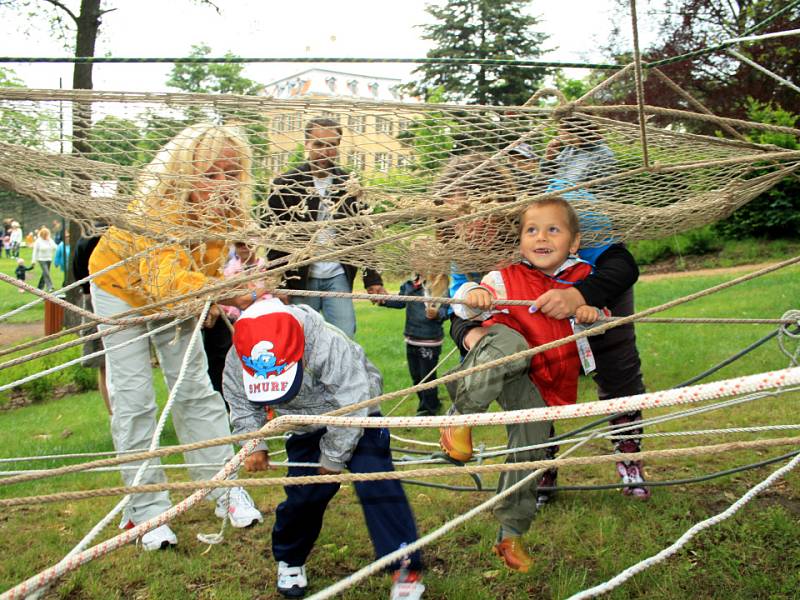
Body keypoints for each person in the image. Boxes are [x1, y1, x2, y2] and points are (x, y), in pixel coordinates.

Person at [88, 123, 265, 550]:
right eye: (210, 174)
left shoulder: (227, 211)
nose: (222, 184)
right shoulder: (159, 210)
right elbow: (166, 281)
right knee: (133, 398)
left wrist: (225, 284)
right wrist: (222, 294)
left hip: (183, 298)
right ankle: (146, 513)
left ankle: (224, 490)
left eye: (231, 173)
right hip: (119, 290)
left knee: (195, 389)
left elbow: (224, 257)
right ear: (184, 171)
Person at [223, 297, 425, 599]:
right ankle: (290, 558)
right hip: (302, 422)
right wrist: (254, 442)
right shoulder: (238, 354)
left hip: (358, 412)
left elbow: (354, 399)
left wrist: (332, 457)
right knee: (305, 494)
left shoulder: (325, 342)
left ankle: (403, 564)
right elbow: (240, 403)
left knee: (376, 479)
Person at [439, 198, 601, 572]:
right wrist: (472, 298)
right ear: (520, 240)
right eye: (532, 230)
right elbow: (464, 305)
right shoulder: (503, 276)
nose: (541, 237)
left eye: (553, 230)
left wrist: (590, 314)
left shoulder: (582, 280)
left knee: (533, 444)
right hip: (502, 369)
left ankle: (510, 532)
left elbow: (592, 325)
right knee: (510, 342)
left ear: (573, 243)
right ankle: (460, 418)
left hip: (546, 380)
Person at [536, 114, 649, 502]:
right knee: (541, 377)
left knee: (619, 372)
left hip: (599, 289)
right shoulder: (560, 158)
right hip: (547, 297)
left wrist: (581, 295)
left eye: (566, 128)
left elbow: (622, 265)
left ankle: (629, 457)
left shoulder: (598, 170)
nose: (560, 134)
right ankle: (542, 465)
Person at [265, 117, 387, 338]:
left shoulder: (348, 184)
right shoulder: (286, 184)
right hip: (301, 277)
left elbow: (364, 234)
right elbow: (274, 238)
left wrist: (373, 279)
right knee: (304, 340)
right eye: (319, 144)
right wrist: (279, 281)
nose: (325, 151)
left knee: (344, 338)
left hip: (337, 275)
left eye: (331, 145)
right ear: (307, 144)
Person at [202, 241, 267, 396]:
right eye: (240, 244)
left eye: (249, 243)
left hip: (263, 323)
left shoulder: (266, 267)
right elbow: (239, 301)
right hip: (236, 325)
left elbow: (271, 291)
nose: (245, 247)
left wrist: (252, 295)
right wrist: (255, 293)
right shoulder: (228, 271)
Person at [382, 272, 449, 416]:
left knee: (427, 378)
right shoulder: (410, 284)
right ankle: (431, 403)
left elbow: (446, 311)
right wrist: (383, 300)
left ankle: (428, 409)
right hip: (411, 338)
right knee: (417, 377)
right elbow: (400, 301)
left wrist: (436, 314)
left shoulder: (441, 285)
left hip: (429, 341)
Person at [72, 231, 111, 414]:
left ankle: (115, 415)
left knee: (105, 365)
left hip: (95, 300)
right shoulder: (90, 240)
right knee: (104, 363)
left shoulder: (85, 240)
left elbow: (79, 275)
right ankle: (114, 414)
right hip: (96, 302)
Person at [31, 226, 57, 292]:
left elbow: (55, 247)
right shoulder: (38, 241)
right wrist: (33, 261)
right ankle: (50, 287)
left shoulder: (50, 240)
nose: (46, 236)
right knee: (46, 273)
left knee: (45, 273)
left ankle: (40, 287)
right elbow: (35, 251)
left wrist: (49, 241)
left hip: (49, 259)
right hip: (41, 259)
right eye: (45, 235)